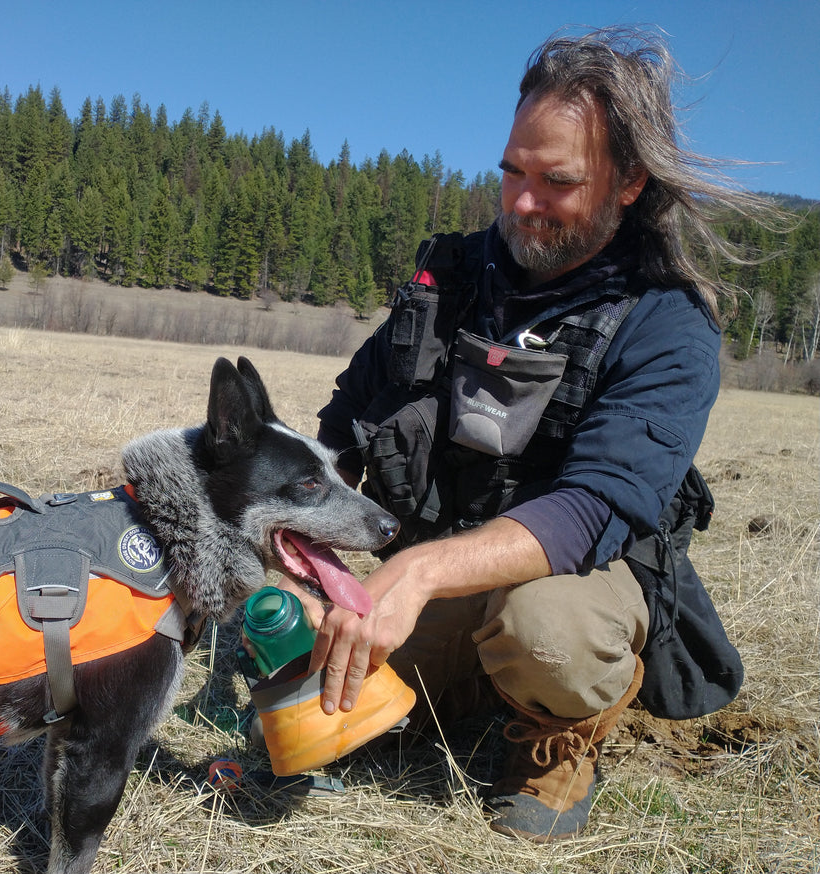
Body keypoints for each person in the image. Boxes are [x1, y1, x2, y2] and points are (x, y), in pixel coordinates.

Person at [281, 26, 776, 842]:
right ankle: (466, 685)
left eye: (557, 181)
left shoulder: (668, 324)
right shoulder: (451, 276)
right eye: (512, 170)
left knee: (546, 633)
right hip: (440, 568)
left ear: (628, 182)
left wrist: (414, 571)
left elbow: (593, 508)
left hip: (572, 584)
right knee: (295, 637)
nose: (521, 202)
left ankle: (558, 739)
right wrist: (299, 547)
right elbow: (345, 421)